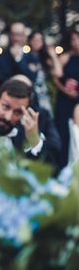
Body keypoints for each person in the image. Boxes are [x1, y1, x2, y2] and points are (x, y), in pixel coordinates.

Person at [54, 26, 79, 166]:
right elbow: (56, 77)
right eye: (73, 39)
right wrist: (65, 90)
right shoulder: (66, 57)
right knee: (65, 134)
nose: (76, 42)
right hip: (66, 101)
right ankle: (64, 166)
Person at [26, 31, 63, 115]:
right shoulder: (25, 58)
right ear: (30, 41)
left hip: (44, 96)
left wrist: (53, 56)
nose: (37, 42)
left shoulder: (44, 59)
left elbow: (59, 73)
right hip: (30, 96)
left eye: (40, 40)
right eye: (35, 40)